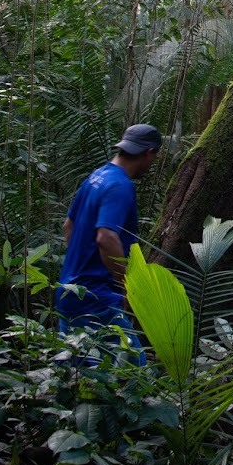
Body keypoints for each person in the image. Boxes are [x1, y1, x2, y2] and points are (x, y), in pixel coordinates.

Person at [55, 123, 162, 365]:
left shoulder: (96, 177)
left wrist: (81, 264)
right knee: (134, 372)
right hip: (96, 296)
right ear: (148, 153)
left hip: (69, 291)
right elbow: (106, 237)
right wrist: (127, 285)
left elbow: (68, 226)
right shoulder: (120, 186)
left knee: (74, 373)